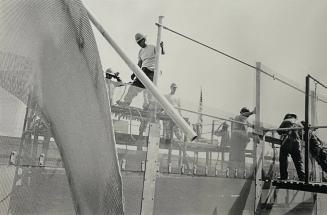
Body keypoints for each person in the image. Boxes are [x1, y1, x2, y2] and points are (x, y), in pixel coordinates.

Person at [117, 33, 157, 109]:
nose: (139, 44)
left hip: (152, 71)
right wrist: (134, 73)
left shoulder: (152, 47)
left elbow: (161, 53)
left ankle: (150, 105)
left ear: (144, 40)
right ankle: (126, 102)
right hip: (144, 70)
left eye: (140, 42)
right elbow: (139, 64)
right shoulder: (140, 52)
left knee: (149, 89)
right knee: (134, 85)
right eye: (138, 43)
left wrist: (162, 47)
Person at [277, 114, 305, 181]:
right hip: (296, 143)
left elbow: (279, 131)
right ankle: (302, 177)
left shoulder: (286, 120)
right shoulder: (299, 123)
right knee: (298, 161)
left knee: (283, 159)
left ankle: (284, 177)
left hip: (286, 142)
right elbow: (302, 135)